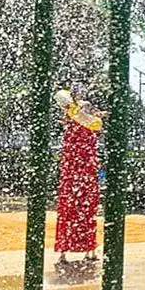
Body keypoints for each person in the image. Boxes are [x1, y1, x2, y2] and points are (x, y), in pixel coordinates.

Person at [54, 98, 102, 271]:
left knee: (72, 215)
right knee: (84, 214)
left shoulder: (74, 130)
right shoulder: (88, 129)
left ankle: (69, 252)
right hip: (83, 179)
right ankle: (88, 251)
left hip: (74, 179)